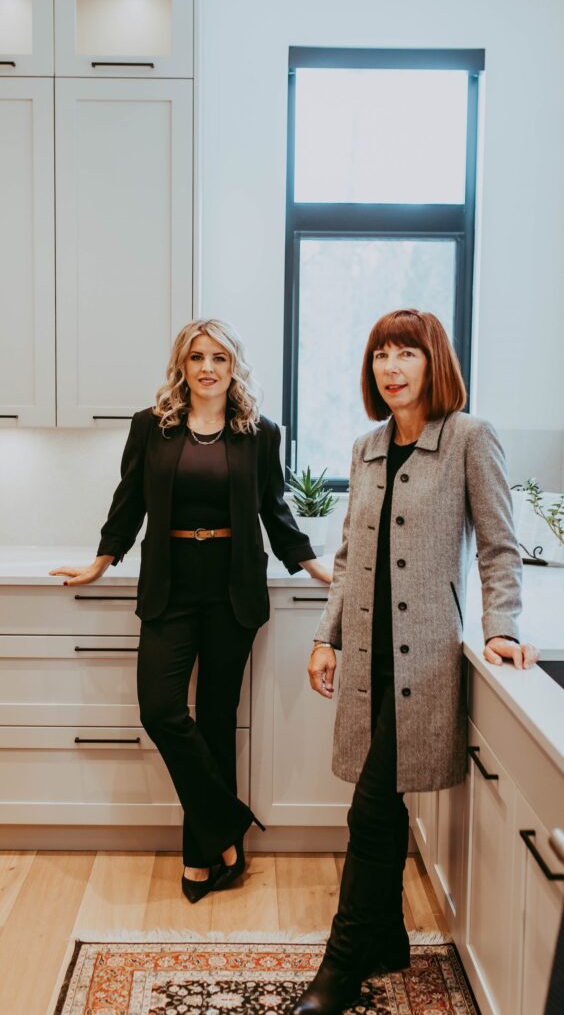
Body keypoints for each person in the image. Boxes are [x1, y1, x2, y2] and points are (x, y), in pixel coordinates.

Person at [288, 308, 538, 1014]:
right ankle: (389, 937)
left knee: (369, 807)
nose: (391, 368)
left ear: (435, 363)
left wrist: (501, 627)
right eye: (380, 355)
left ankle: (342, 960)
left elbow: (499, 547)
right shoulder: (367, 447)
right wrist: (325, 636)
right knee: (384, 799)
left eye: (406, 353)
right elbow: (347, 557)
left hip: (421, 661)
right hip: (367, 660)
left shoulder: (469, 438)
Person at [50, 318, 331, 904]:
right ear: (182, 364)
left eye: (219, 357)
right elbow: (128, 501)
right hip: (170, 587)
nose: (208, 367)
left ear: (234, 367)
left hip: (232, 589)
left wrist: (311, 564)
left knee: (217, 721)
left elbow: (274, 508)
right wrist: (102, 560)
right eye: (197, 356)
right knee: (161, 710)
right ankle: (229, 822)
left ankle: (204, 856)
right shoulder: (151, 427)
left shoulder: (260, 433)